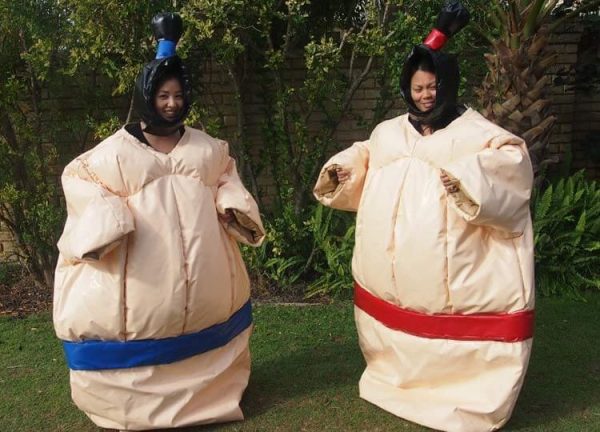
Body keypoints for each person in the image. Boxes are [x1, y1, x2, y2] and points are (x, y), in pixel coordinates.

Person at [313, 2, 535, 431]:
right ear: (406, 89)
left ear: (447, 85)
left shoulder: (478, 133)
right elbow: (368, 157)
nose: (425, 95)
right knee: (396, 321)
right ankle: (395, 379)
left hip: (458, 271)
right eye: (417, 88)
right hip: (395, 275)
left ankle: (464, 395)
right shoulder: (390, 131)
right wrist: (344, 169)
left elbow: (512, 164)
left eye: (432, 86)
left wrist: (470, 179)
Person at [53, 12, 265, 430]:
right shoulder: (111, 154)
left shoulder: (207, 148)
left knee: (208, 321)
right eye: (164, 95)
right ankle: (132, 405)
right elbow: (79, 180)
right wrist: (107, 219)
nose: (172, 103)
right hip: (142, 280)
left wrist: (232, 202)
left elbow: (227, 176)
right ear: (147, 96)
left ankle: (213, 393)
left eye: (178, 95)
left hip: (204, 279)